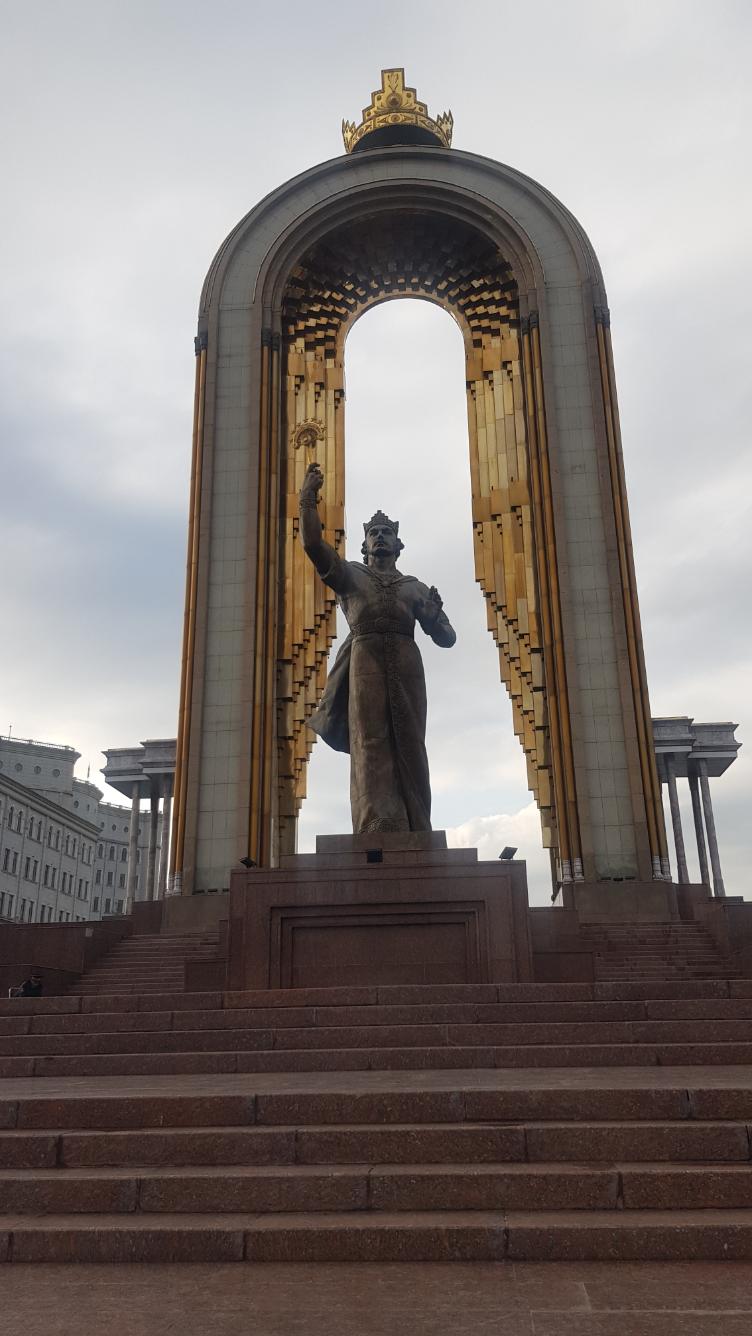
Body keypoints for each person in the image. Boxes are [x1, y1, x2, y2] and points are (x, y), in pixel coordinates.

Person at [299, 461, 456, 834]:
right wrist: (308, 500)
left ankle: (417, 823)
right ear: (365, 544)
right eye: (374, 534)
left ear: (398, 546)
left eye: (387, 533)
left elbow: (447, 639)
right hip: (365, 661)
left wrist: (435, 616)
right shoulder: (351, 574)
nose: (381, 538)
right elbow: (312, 544)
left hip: (406, 663)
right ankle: (376, 824)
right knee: (370, 741)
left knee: (411, 742)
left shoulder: (415, 587)